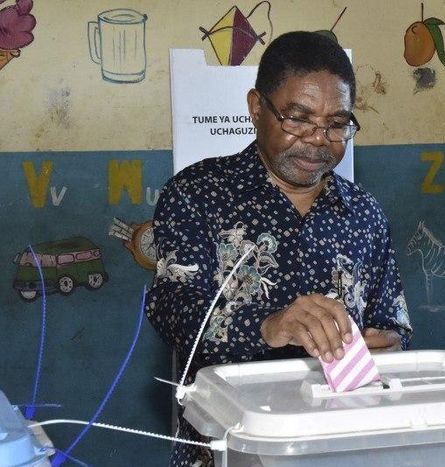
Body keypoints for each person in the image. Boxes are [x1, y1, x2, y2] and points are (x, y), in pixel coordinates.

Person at [146, 31, 412, 466]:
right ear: (256, 108)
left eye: (337, 124)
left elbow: (393, 321)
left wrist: (386, 343)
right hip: (228, 445)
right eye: (297, 119)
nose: (317, 139)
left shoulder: (364, 212)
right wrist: (269, 326)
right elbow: (171, 308)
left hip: (340, 443)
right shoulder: (197, 193)